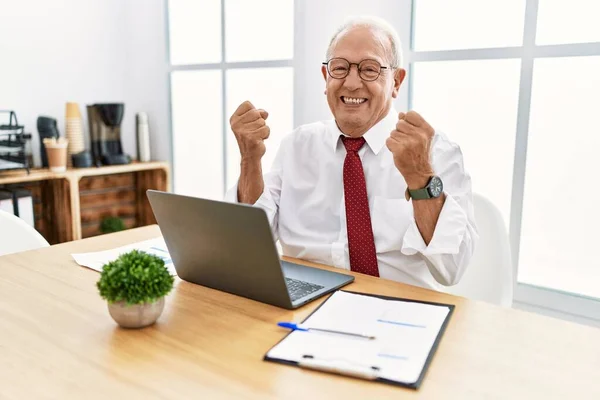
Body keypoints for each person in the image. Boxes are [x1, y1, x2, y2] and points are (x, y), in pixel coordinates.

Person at [225, 16, 478, 290]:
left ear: (396, 81)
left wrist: (420, 177)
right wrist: (249, 160)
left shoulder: (435, 151)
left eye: (369, 69)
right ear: (326, 77)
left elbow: (451, 270)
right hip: (303, 305)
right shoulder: (296, 146)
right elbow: (245, 245)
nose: (352, 83)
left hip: (398, 312)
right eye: (340, 68)